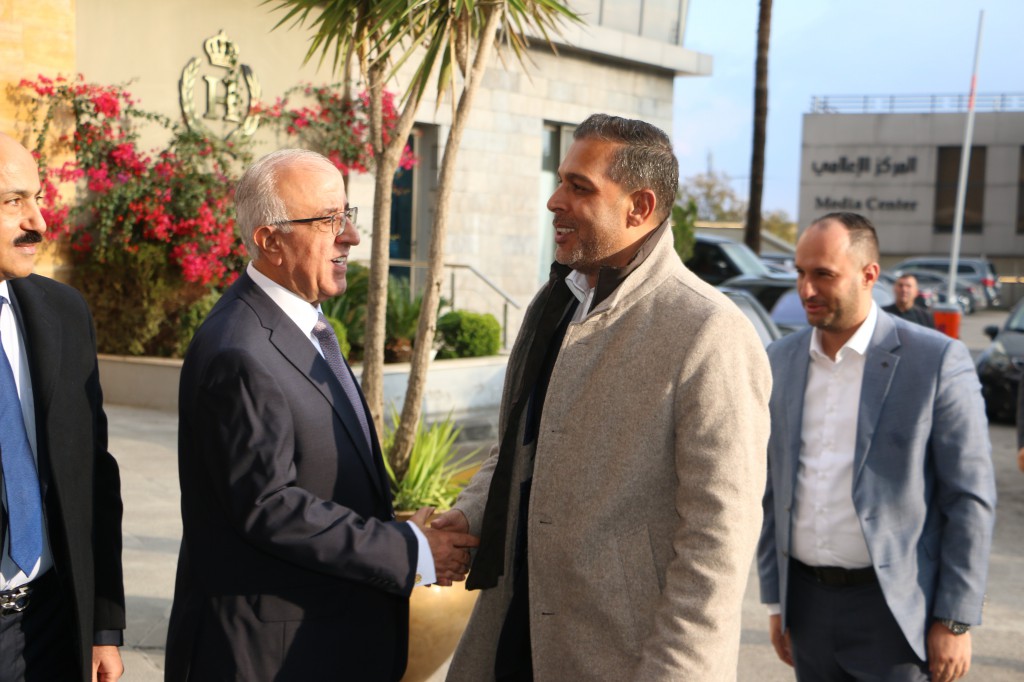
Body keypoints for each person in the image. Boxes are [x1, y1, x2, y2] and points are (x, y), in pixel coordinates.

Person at [433, 114, 772, 680]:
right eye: (560, 181)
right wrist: (467, 516)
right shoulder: (555, 302)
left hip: (626, 658)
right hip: (514, 632)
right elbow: (518, 447)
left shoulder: (709, 331)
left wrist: (675, 672)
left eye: (579, 187)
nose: (554, 201)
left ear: (639, 207)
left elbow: (718, 538)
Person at [164, 148, 478, 681]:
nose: (350, 236)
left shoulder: (300, 325)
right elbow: (270, 506)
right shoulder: (240, 350)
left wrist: (397, 528)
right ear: (271, 241)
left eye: (347, 215)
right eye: (328, 220)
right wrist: (408, 549)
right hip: (270, 659)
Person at [757, 212, 996, 682]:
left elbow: (969, 497)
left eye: (823, 274)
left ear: (869, 275)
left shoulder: (936, 360)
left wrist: (955, 618)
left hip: (896, 612)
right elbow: (773, 489)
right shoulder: (780, 360)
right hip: (806, 607)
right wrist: (775, 601)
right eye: (800, 273)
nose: (806, 289)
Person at [0, 131, 125, 680]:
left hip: (51, 626)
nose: (39, 222)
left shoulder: (64, 313)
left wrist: (102, 628)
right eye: (13, 202)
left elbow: (93, 476)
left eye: (37, 198)